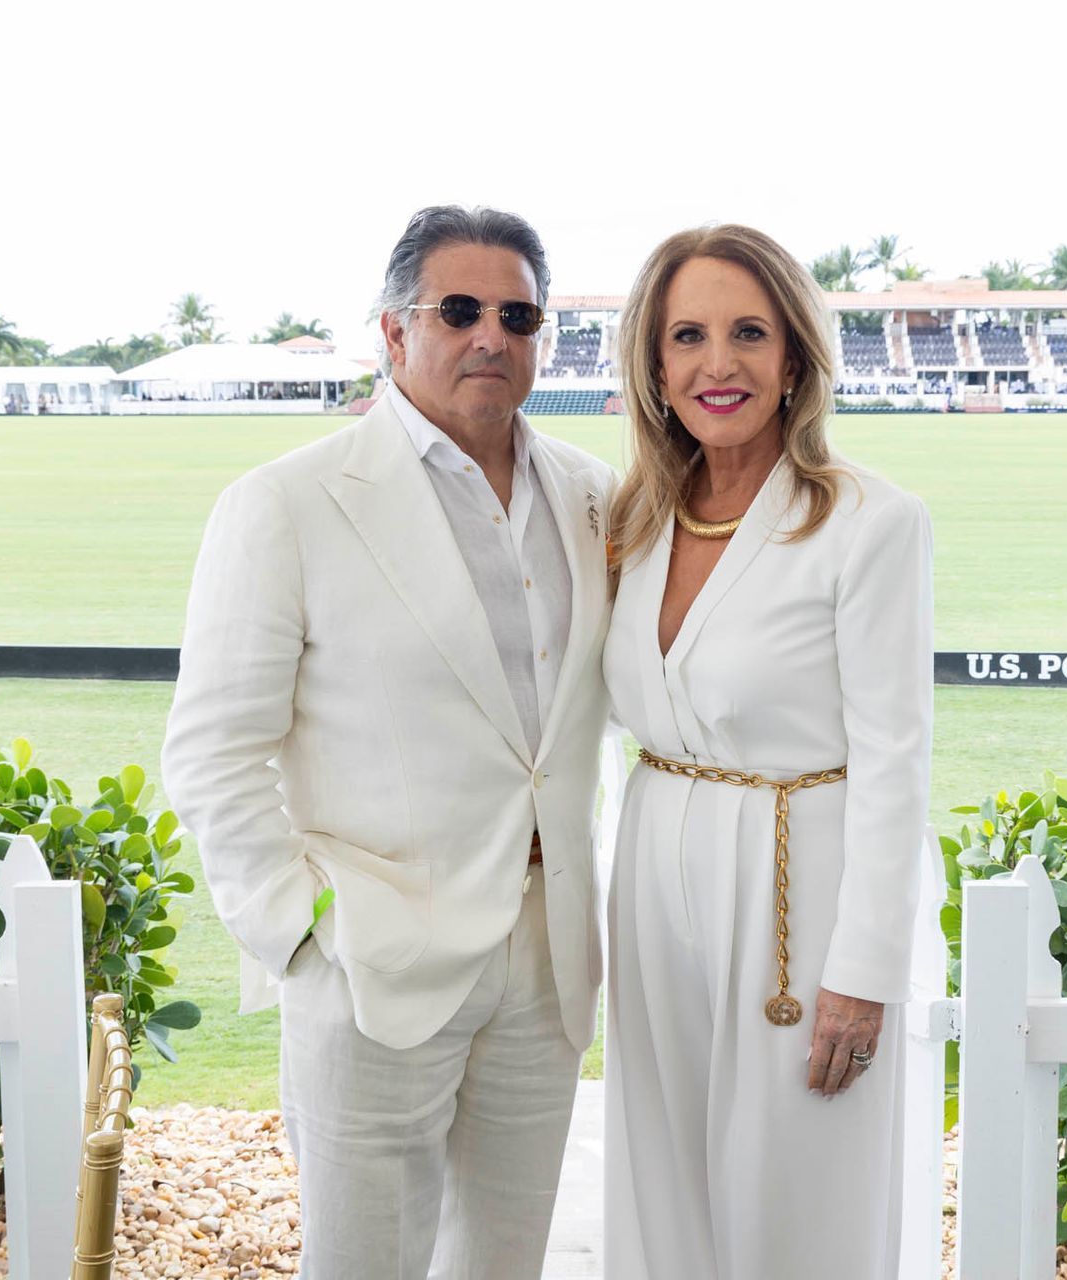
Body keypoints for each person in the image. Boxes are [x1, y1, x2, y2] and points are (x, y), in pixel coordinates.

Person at [162, 205, 617, 1279]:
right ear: (394, 329)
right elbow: (215, 748)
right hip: (371, 957)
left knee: (502, 1262)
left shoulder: (594, 495)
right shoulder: (285, 503)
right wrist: (302, 931)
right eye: (458, 309)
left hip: (548, 958)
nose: (490, 335)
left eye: (517, 315)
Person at [600, 224, 933, 1278]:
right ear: (655, 366)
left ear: (794, 355)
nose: (719, 363)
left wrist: (864, 969)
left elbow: (896, 757)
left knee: (797, 1198)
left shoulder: (869, 521)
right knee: (663, 1189)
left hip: (801, 892)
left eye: (749, 332)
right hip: (653, 877)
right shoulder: (633, 519)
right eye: (687, 335)